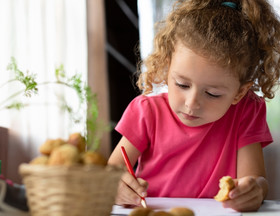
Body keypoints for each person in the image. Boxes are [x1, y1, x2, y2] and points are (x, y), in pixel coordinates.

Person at [108, 0, 280, 212]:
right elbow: (110, 175)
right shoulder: (147, 112)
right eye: (181, 84)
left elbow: (255, 181)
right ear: (166, 66)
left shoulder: (246, 111)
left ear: (239, 92)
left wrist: (254, 190)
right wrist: (117, 186)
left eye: (212, 93)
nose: (191, 104)